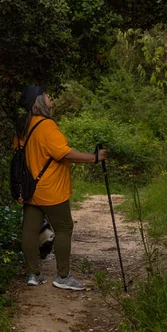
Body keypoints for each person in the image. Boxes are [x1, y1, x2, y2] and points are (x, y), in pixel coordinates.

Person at [14, 85, 108, 290]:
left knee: (29, 232)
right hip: (52, 190)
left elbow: (19, 160)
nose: (50, 99)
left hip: (31, 190)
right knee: (64, 227)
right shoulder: (47, 126)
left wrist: (19, 189)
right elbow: (64, 153)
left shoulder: (22, 127)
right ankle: (63, 277)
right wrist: (94, 158)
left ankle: (33, 274)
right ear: (39, 101)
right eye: (47, 96)